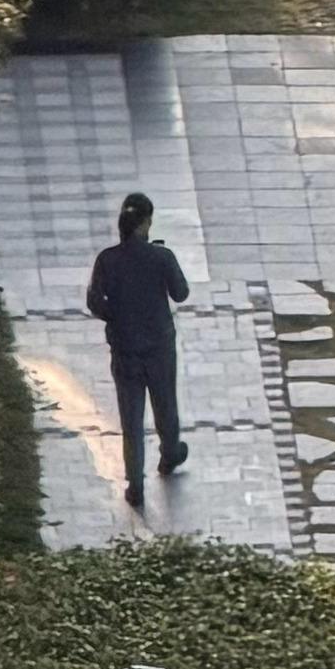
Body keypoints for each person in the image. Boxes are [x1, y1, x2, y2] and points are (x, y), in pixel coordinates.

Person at [82, 193, 190, 512]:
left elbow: (94, 302)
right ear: (145, 223)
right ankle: (170, 453)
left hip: (125, 348)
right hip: (159, 347)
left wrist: (115, 315)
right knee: (164, 404)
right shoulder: (161, 257)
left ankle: (135, 484)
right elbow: (181, 293)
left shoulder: (107, 259)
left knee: (131, 416)